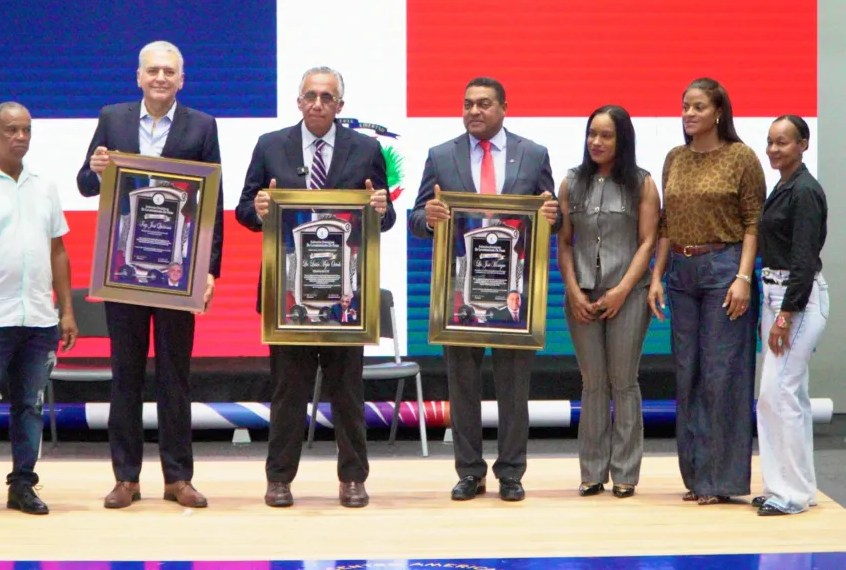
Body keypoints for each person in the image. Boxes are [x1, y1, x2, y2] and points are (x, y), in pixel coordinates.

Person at [235, 66, 395, 509]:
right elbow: (244, 209)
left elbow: (385, 217)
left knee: (347, 390)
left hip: (347, 296)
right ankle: (279, 479)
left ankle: (353, 479)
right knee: (288, 391)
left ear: (340, 105)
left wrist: (381, 208)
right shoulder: (271, 146)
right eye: (311, 96)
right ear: (299, 101)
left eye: (328, 97)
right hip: (288, 297)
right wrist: (260, 206)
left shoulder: (366, 149)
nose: (319, 103)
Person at [76, 40, 224, 510]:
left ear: (182, 79)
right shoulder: (113, 119)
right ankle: (126, 478)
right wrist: (96, 169)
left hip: (179, 273)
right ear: (138, 76)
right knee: (126, 375)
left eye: (169, 72)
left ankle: (178, 477)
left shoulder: (202, 125)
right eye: (152, 71)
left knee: (176, 376)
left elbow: (213, 204)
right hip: (124, 270)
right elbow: (85, 182)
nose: (160, 78)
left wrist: (209, 270)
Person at [409, 76, 559, 503]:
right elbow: (417, 218)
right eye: (468, 104)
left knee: (515, 387)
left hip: (514, 296)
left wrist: (553, 213)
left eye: (484, 104)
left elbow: (552, 217)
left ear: (504, 108)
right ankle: (469, 472)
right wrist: (429, 216)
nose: (474, 111)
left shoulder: (533, 154)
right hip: (458, 295)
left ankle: (511, 472)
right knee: (462, 385)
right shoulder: (441, 155)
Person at [0, 102, 79, 519]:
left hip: (39, 319)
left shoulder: (44, 185)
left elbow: (58, 250)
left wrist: (67, 310)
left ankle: (23, 484)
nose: (19, 137)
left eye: (26, 130)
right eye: (10, 130)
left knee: (31, 407)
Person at [647, 77, 766, 505]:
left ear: (718, 111)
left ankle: (723, 481)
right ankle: (697, 477)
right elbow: (665, 224)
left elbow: (754, 221)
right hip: (680, 271)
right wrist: (657, 275)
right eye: (685, 107)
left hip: (724, 268)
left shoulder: (741, 157)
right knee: (688, 374)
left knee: (723, 376)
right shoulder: (674, 158)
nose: (689, 114)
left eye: (698, 107)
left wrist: (743, 277)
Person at [557, 105, 659, 499]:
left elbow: (648, 241)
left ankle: (626, 473)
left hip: (627, 295)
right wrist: (573, 290)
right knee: (593, 382)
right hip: (582, 293)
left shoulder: (642, 183)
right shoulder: (571, 183)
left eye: (606, 135)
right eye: (591, 134)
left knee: (624, 381)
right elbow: (564, 242)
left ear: (623, 140)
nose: (596, 142)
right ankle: (592, 471)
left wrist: (621, 290)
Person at [754, 115, 828, 516]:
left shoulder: (804, 192)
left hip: (796, 299)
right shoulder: (783, 186)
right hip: (775, 295)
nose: (773, 149)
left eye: (783, 142)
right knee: (787, 395)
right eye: (770, 141)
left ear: (803, 144)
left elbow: (803, 260)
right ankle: (791, 487)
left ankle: (792, 495)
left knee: (777, 395)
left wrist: (785, 315)